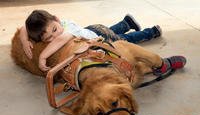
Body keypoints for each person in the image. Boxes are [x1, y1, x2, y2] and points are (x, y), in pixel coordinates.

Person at [20, 10, 185, 73]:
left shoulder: (66, 29)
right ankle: (127, 23)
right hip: (93, 29)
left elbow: (62, 39)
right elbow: (23, 27)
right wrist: (24, 38)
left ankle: (151, 32)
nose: (54, 37)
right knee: (112, 29)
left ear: (57, 19)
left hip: (99, 38)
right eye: (48, 38)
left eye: (54, 30)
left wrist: (42, 56)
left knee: (126, 40)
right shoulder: (56, 25)